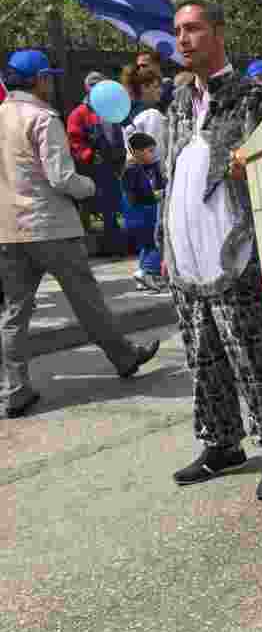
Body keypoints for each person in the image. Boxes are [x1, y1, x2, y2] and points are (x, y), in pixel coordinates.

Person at [162, 0, 262, 501]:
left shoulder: (250, 99)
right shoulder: (177, 103)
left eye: (193, 28)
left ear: (218, 32)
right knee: (204, 361)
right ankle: (222, 443)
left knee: (254, 359)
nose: (183, 39)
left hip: (234, 257)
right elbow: (173, 175)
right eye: (178, 30)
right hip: (186, 259)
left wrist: (256, 167)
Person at [0, 50, 160, 419]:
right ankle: (123, 358)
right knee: (87, 302)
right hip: (51, 226)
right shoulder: (42, 118)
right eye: (49, 77)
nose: (52, 83)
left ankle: (15, 389)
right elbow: (61, 178)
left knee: (14, 313)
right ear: (39, 79)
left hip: (9, 231)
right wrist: (89, 186)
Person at [67, 71, 127, 255]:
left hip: (113, 166)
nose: (96, 89)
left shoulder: (113, 108)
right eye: (92, 86)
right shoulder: (80, 113)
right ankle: (86, 248)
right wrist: (89, 155)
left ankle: (114, 245)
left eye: (99, 85)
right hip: (91, 168)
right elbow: (74, 140)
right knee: (87, 206)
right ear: (87, 89)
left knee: (112, 208)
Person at [122, 132, 166, 292]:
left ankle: (142, 280)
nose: (153, 155)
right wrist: (159, 194)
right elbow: (140, 194)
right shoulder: (132, 169)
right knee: (158, 244)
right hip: (142, 215)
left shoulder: (133, 167)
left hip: (134, 216)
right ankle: (146, 272)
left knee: (146, 247)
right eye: (150, 151)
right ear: (138, 151)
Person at [135, 49, 174, 114]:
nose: (140, 69)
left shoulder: (169, 87)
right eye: (138, 67)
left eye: (144, 65)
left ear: (157, 65)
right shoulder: (137, 88)